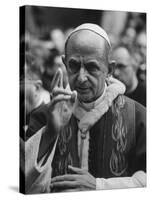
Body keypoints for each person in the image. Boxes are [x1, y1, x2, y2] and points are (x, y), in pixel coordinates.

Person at [20, 23, 146, 194]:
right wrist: (50, 132)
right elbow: (21, 184)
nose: (81, 78)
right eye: (73, 65)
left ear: (110, 69)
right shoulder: (45, 115)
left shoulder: (137, 116)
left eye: (91, 67)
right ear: (64, 62)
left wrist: (99, 187)